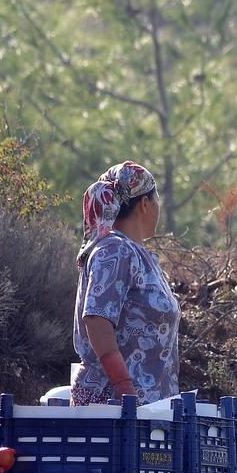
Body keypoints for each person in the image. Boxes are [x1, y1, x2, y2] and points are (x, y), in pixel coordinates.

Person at [71, 161, 181, 405]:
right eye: (157, 199)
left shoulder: (136, 254)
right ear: (145, 203)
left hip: (148, 406)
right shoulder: (115, 250)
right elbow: (97, 319)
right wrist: (123, 385)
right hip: (115, 405)